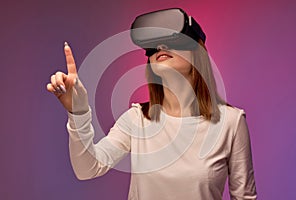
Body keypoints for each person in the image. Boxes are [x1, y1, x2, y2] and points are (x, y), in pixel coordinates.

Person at [47, 8, 257, 200]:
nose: (161, 47)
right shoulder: (137, 119)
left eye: (173, 39)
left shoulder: (231, 122)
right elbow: (87, 169)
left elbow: (244, 197)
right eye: (154, 45)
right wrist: (78, 112)